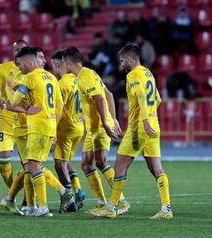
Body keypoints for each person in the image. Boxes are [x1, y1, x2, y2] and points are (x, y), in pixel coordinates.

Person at [91, 43, 172, 219]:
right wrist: (150, 117)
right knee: (156, 169)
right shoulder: (148, 73)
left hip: (139, 127)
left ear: (129, 59)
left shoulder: (133, 75)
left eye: (122, 60)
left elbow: (142, 95)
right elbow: (157, 99)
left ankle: (111, 208)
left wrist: (143, 119)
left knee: (120, 166)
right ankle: (166, 209)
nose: (121, 64)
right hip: (153, 125)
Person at [5, 47, 73, 217]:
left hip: (37, 126)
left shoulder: (29, 78)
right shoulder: (51, 77)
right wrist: (54, 128)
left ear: (28, 62)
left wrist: (8, 87)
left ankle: (43, 207)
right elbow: (60, 106)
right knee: (34, 165)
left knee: (34, 166)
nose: (19, 68)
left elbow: (13, 101)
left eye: (20, 64)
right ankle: (35, 206)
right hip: (50, 125)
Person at [62, 46, 130, 214]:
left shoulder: (85, 77)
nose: (64, 66)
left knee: (101, 161)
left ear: (68, 62)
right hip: (93, 128)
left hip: (99, 126)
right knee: (86, 165)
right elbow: (109, 94)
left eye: (64, 63)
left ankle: (120, 201)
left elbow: (100, 97)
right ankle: (101, 203)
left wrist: (107, 123)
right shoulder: (89, 73)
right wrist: (113, 117)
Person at [50, 50, 86, 209]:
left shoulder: (62, 84)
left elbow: (59, 109)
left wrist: (52, 132)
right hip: (78, 126)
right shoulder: (77, 80)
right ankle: (78, 190)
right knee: (66, 161)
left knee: (59, 164)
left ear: (58, 65)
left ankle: (69, 197)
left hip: (66, 128)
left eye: (53, 66)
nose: (53, 70)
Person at [0, 40, 28, 189]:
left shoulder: (31, 70)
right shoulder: (3, 68)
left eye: (22, 49)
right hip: (6, 120)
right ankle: (13, 192)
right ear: (13, 52)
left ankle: (27, 198)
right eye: (16, 49)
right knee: (3, 160)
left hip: (24, 121)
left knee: (26, 163)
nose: (19, 52)